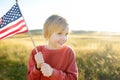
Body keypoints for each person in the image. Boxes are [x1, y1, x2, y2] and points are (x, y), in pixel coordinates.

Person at [27, 14, 78, 80]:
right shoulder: (36, 51)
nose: (64, 38)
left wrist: (53, 73)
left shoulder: (68, 52)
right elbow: (30, 78)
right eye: (59, 33)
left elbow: (73, 78)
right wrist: (37, 67)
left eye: (66, 34)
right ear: (48, 33)